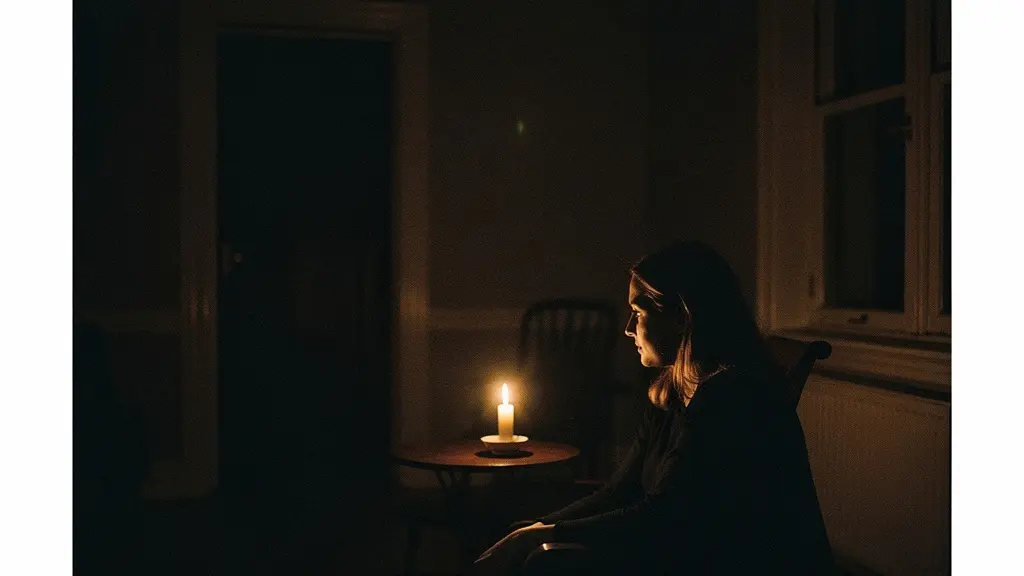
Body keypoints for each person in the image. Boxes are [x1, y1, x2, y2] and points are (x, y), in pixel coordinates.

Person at [473, 241, 833, 575]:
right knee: (522, 535)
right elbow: (620, 491)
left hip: (726, 560)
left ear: (681, 317)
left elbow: (665, 515)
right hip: (680, 545)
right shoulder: (672, 392)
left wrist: (543, 537)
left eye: (638, 312)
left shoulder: (732, 396)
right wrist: (537, 528)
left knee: (546, 560)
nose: (629, 329)